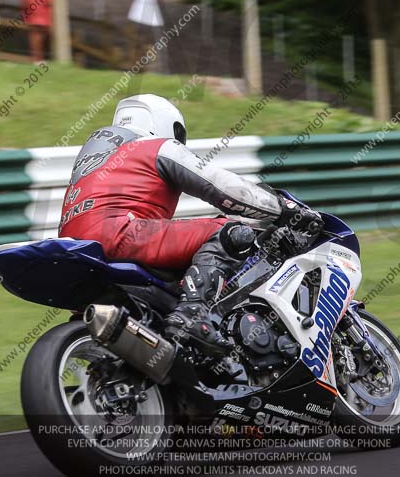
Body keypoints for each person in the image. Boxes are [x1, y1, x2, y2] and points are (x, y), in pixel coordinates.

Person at [58, 94, 321, 355]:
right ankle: (193, 316)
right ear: (164, 123)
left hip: (76, 246)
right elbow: (222, 188)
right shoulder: (155, 146)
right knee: (229, 232)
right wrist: (283, 208)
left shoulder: (95, 157)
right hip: (120, 233)